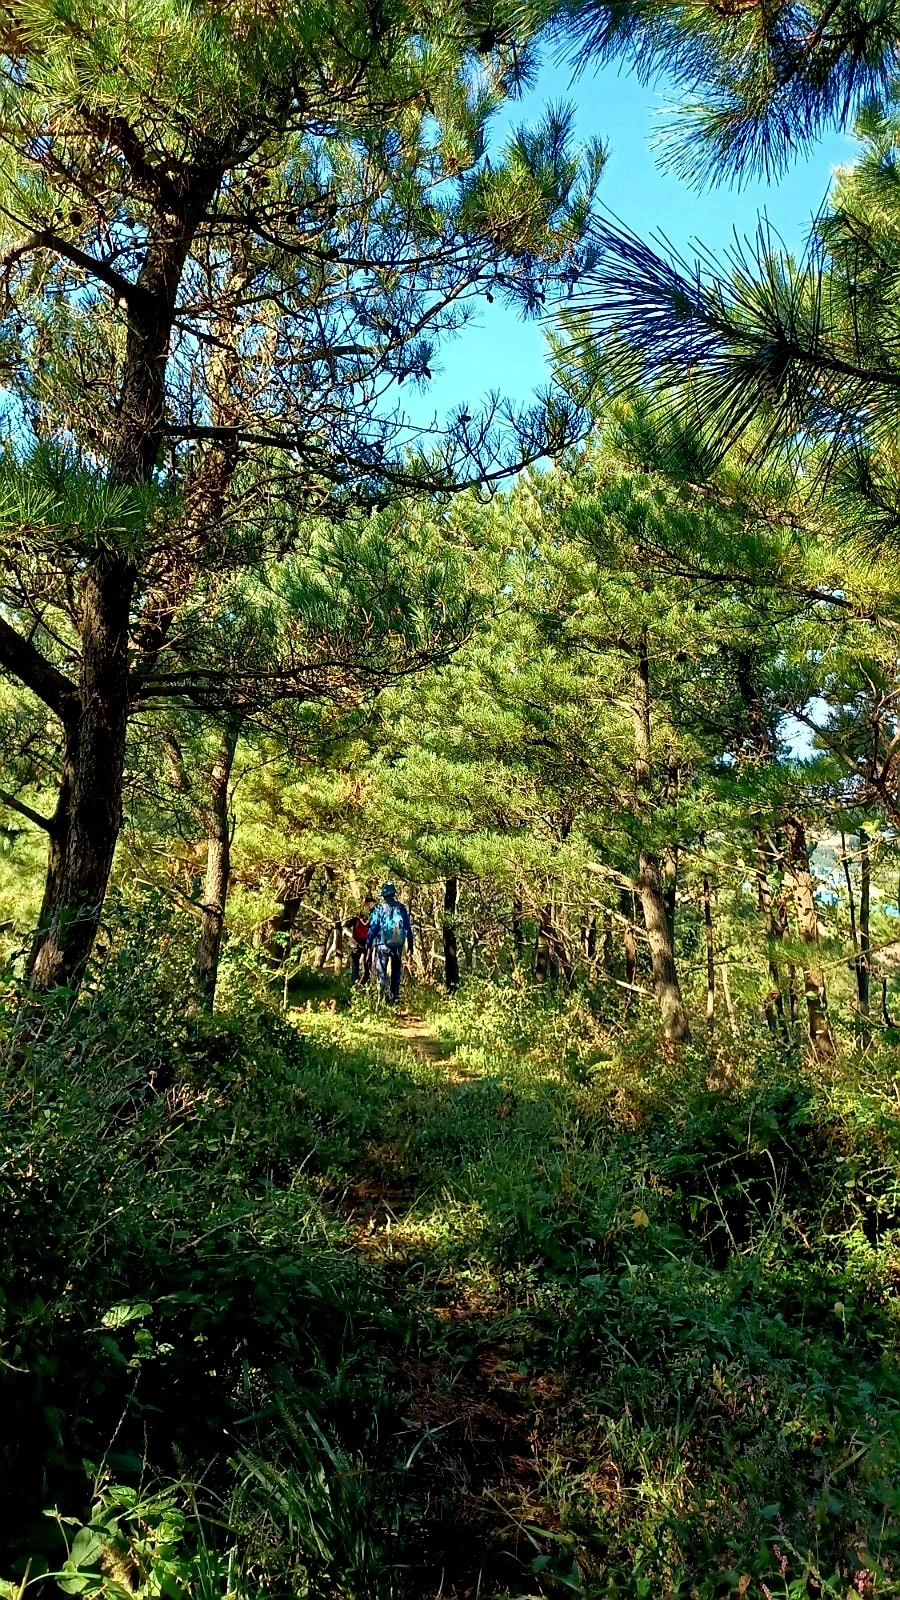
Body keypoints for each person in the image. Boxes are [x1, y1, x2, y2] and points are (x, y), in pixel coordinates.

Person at [365, 882, 413, 1004]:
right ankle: (394, 997)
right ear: (393, 894)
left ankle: (382, 998)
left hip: (382, 944)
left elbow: (373, 928)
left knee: (381, 971)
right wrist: (410, 944)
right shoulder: (401, 908)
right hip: (397, 944)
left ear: (383, 895)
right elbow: (407, 928)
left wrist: (368, 945)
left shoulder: (379, 909)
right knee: (396, 971)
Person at [346, 899, 374, 986]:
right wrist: (351, 936)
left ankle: (361, 984)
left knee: (366, 966)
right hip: (356, 944)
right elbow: (346, 926)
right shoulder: (357, 916)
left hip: (366, 944)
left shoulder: (372, 916)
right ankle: (355, 985)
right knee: (356, 966)